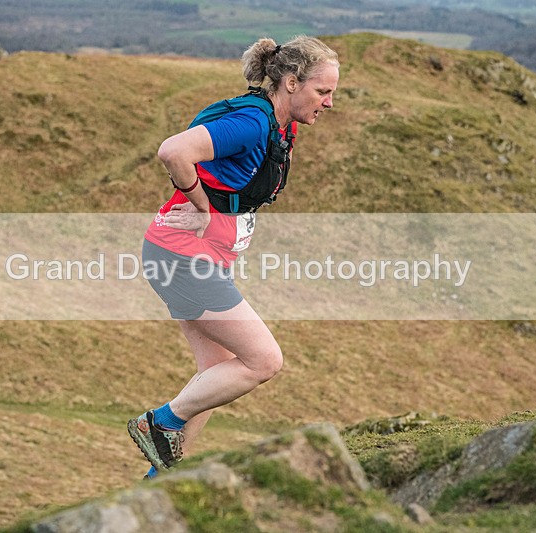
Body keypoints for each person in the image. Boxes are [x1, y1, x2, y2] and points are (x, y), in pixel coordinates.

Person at [127, 35, 339, 478]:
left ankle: (160, 477)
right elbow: (173, 151)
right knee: (264, 361)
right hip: (181, 256)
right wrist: (201, 205)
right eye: (323, 92)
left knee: (217, 370)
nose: (330, 102)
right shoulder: (251, 121)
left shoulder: (283, 125)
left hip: (197, 255)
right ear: (291, 82)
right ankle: (159, 421)